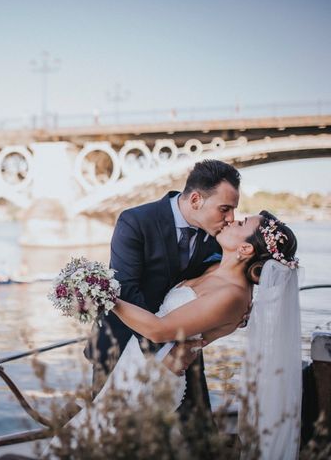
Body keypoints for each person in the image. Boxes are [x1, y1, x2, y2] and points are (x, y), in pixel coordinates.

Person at [53, 211, 300, 459]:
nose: (232, 219)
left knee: (100, 443)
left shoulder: (233, 295)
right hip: (136, 360)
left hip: (155, 376)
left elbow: (159, 331)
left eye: (242, 223)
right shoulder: (216, 266)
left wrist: (104, 295)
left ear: (245, 249)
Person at [86, 159, 242, 420]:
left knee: (198, 433)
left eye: (233, 210)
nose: (231, 219)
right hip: (121, 349)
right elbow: (125, 291)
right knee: (113, 437)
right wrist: (168, 352)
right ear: (195, 200)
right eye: (224, 209)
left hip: (185, 358)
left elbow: (224, 284)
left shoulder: (219, 237)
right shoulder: (135, 221)